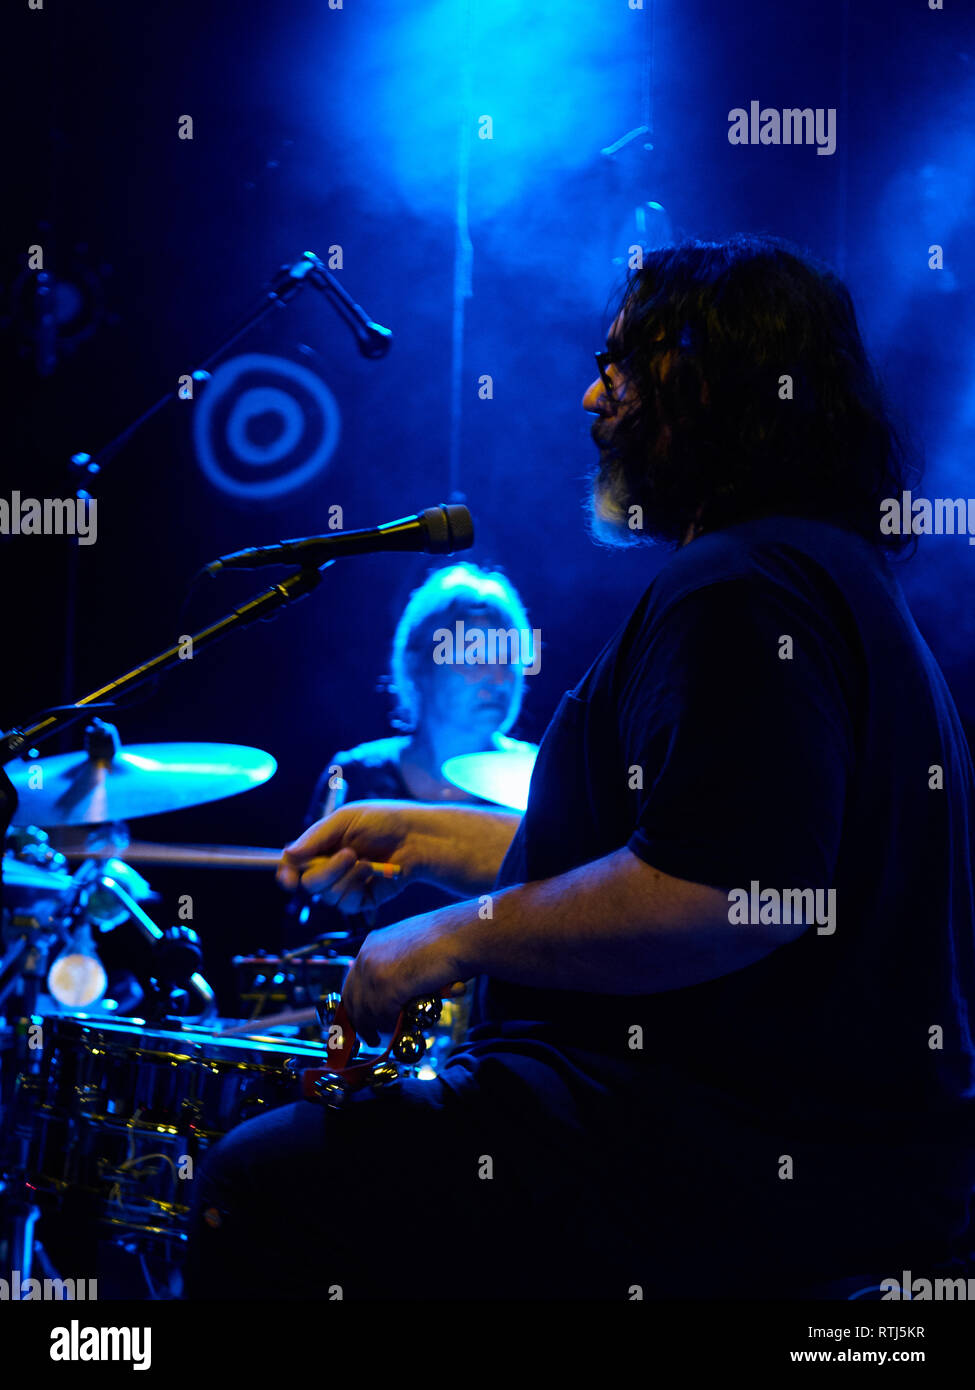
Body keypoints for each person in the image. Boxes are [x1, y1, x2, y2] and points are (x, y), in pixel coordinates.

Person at [186, 234, 975, 1301]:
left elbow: (738, 892)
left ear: (697, 381)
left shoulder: (739, 582)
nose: (590, 394)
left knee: (264, 1179)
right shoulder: (831, 579)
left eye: (620, 364)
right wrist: (429, 840)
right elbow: (678, 850)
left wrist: (437, 941)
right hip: (821, 1162)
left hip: (713, 1157)